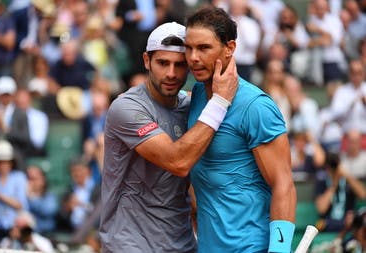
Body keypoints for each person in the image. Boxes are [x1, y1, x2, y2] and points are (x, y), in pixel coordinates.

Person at [100, 21, 238, 253]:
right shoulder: (127, 108)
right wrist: (220, 101)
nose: (171, 73)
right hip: (129, 246)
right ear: (147, 61)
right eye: (163, 63)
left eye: (180, 65)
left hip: (183, 245)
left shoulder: (190, 106)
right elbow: (178, 162)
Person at [184, 6, 296, 253]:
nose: (193, 57)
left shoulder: (256, 106)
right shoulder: (199, 94)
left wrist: (279, 250)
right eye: (189, 47)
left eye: (203, 48)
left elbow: (283, 183)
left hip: (251, 247)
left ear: (230, 48)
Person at [0, 139, 28, 247]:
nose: (3, 165)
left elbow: (19, 204)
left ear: (11, 162)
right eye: (0, 162)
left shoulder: (19, 177)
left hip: (14, 227)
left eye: (6, 161)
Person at [315, 152, 366, 232]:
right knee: (319, 224)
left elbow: (363, 195)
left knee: (355, 222)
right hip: (327, 221)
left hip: (347, 221)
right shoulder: (322, 181)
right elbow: (321, 209)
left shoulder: (349, 180)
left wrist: (346, 175)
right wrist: (334, 185)